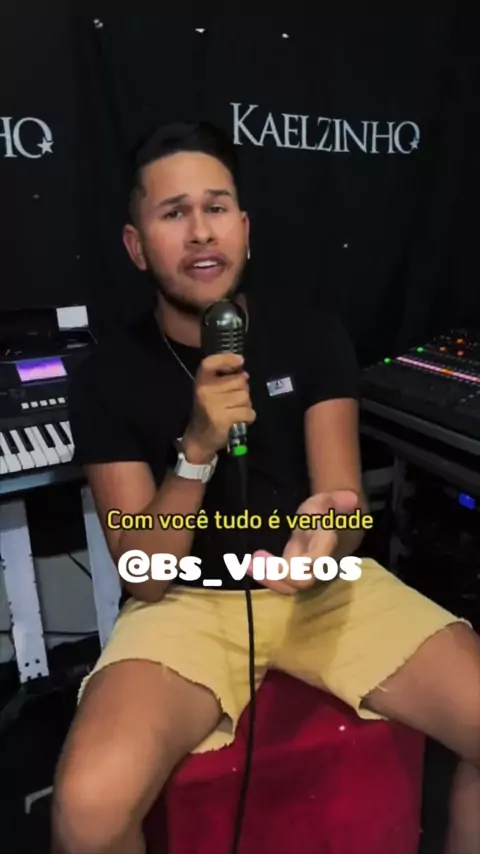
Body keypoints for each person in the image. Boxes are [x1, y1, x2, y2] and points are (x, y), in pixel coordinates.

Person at [51, 121, 480, 854]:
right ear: (136, 244)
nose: (200, 231)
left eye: (216, 207)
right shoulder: (107, 376)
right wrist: (195, 451)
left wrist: (330, 530)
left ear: (244, 229)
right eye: (173, 212)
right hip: (188, 603)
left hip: (322, 591)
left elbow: (344, 499)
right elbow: (143, 574)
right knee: (87, 811)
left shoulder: (313, 335)